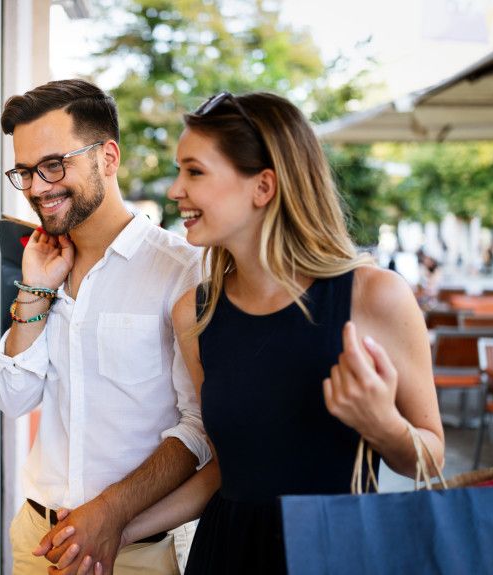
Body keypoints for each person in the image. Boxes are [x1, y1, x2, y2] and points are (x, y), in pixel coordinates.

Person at [53, 91, 445, 574]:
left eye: (194, 171)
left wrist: (384, 425)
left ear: (263, 186)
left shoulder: (374, 296)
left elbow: (430, 457)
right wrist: (119, 531)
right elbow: (224, 469)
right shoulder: (194, 314)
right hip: (226, 554)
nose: (176, 190)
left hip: (335, 553)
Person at [0, 79, 210, 574]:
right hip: (35, 538)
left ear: (108, 158)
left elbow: (200, 428)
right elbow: (13, 399)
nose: (37, 187)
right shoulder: (41, 262)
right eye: (25, 171)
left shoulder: (182, 270)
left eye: (53, 165)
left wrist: (112, 512)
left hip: (133, 550)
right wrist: (35, 291)